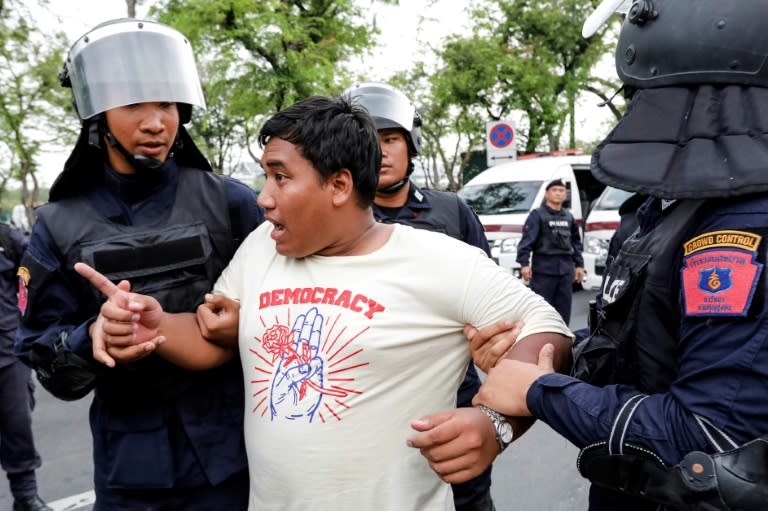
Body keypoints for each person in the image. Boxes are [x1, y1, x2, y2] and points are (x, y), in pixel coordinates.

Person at [76, 94, 573, 511]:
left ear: (339, 185)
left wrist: (497, 424)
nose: (264, 198)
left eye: (280, 177)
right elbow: (212, 338)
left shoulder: (439, 260)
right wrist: (154, 323)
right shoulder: (260, 248)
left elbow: (548, 329)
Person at [471, 1, 768, 509]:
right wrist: (556, 351)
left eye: (642, 96)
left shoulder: (744, 221)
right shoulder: (670, 205)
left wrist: (540, 390)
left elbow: (713, 447)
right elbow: (646, 343)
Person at [14, 19, 262, 510]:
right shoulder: (58, 226)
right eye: (134, 106)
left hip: (235, 459)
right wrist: (91, 339)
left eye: (167, 104)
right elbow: (43, 356)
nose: (156, 122)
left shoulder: (232, 204)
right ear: (98, 117)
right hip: (131, 473)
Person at [345, 81, 496, 511]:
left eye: (391, 139)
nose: (381, 152)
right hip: (365, 398)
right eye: (368, 142)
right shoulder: (332, 216)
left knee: (467, 496)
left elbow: (488, 297)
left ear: (411, 146)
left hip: (450, 394)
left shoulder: (451, 212)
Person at [0, 223, 51, 511]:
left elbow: (30, 276)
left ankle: (26, 496)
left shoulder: (5, 237)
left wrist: (25, 320)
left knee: (17, 425)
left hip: (7, 351)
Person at [516, 178, 584, 325]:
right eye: (554, 190)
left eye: (561, 191)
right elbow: (527, 241)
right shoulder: (537, 215)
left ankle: (563, 343)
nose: (558, 193)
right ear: (547, 194)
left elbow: (576, 242)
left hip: (565, 271)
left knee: (563, 311)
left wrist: (579, 265)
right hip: (544, 271)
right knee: (542, 310)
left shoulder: (568, 217)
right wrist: (524, 264)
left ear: (565, 195)